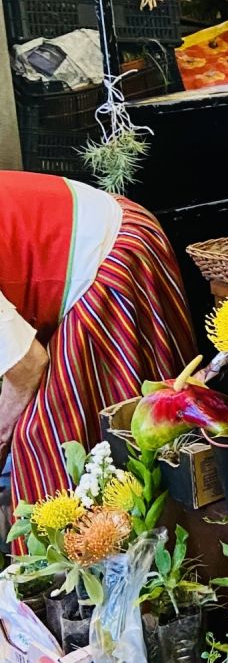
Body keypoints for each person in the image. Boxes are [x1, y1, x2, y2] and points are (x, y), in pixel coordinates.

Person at [0, 171, 195, 503]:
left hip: (109, 252)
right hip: (76, 244)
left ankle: (119, 549)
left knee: (47, 441)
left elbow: (28, 365)